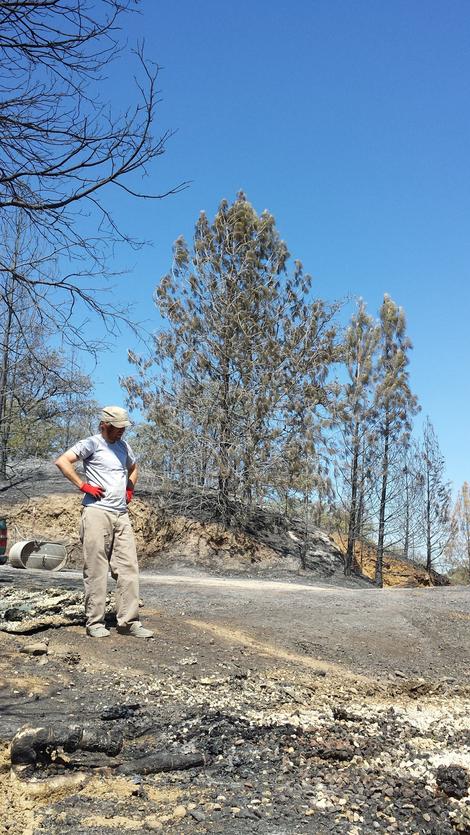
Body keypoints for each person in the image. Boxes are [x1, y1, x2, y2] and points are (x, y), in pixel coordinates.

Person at [54, 405, 153, 639]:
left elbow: (134, 467)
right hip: (97, 512)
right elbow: (63, 461)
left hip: (121, 514)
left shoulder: (123, 446)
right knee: (96, 568)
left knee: (129, 568)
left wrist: (129, 488)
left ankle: (129, 623)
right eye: (117, 428)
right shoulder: (91, 443)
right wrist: (83, 485)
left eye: (124, 428)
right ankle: (95, 622)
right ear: (104, 425)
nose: (121, 432)